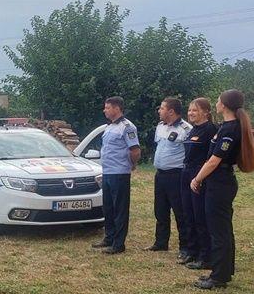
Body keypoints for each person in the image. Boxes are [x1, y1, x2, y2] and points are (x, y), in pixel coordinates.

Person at [190, 89, 254, 289]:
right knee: (222, 229)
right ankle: (224, 271)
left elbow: (214, 161)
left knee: (219, 231)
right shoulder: (226, 126)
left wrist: (197, 179)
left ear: (224, 105)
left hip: (220, 183)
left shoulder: (230, 129)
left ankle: (218, 277)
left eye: (218, 101)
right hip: (219, 182)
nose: (216, 103)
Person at [92, 97, 141, 255]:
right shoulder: (110, 127)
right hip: (107, 172)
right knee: (108, 207)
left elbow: (135, 150)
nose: (104, 110)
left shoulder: (127, 127)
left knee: (120, 209)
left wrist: (132, 164)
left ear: (117, 108)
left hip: (119, 172)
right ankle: (109, 237)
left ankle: (119, 244)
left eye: (107, 108)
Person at [145, 98, 193, 260]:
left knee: (180, 212)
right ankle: (161, 242)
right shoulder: (160, 126)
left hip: (176, 175)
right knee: (160, 210)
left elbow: (190, 154)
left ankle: (185, 247)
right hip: (160, 175)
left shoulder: (186, 129)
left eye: (162, 108)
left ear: (171, 111)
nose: (159, 111)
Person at [181, 98, 217, 270]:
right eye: (189, 110)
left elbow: (211, 157)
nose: (190, 113)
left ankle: (205, 256)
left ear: (206, 112)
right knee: (188, 213)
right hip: (186, 172)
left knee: (199, 215)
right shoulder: (193, 129)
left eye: (194, 110)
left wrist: (200, 177)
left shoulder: (210, 130)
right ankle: (192, 251)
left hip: (199, 174)